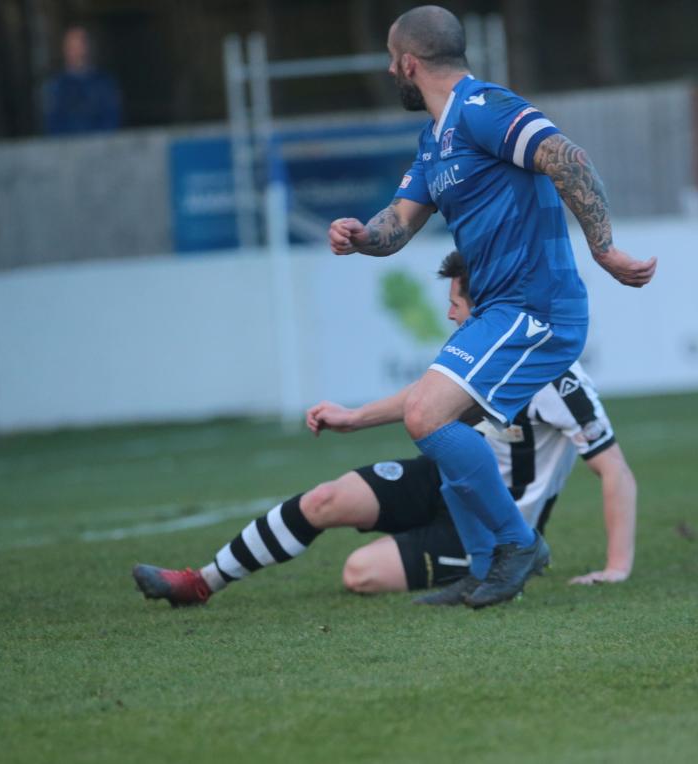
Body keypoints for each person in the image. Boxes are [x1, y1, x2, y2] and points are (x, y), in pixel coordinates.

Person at [325, 6, 654, 607]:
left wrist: (603, 250)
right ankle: (481, 569)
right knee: (445, 424)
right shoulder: (436, 139)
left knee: (427, 414)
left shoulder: (483, 108)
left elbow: (566, 157)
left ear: (408, 63)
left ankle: (517, 544)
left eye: (390, 62)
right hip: (500, 310)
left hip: (536, 306)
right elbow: (397, 224)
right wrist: (360, 237)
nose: (390, 71)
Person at [132, 252, 636, 607]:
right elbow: (423, 400)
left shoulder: (556, 378)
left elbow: (614, 472)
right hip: (443, 480)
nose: (448, 312)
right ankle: (201, 582)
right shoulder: (477, 356)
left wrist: (616, 568)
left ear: (487, 307)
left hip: (491, 517)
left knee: (360, 573)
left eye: (457, 302)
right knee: (324, 500)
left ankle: (501, 562)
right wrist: (354, 417)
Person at [43, 25, 122, 135]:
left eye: (82, 45)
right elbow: (53, 125)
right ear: (65, 50)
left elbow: (112, 119)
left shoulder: (105, 84)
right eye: (73, 47)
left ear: (90, 47)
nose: (78, 51)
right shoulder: (56, 87)